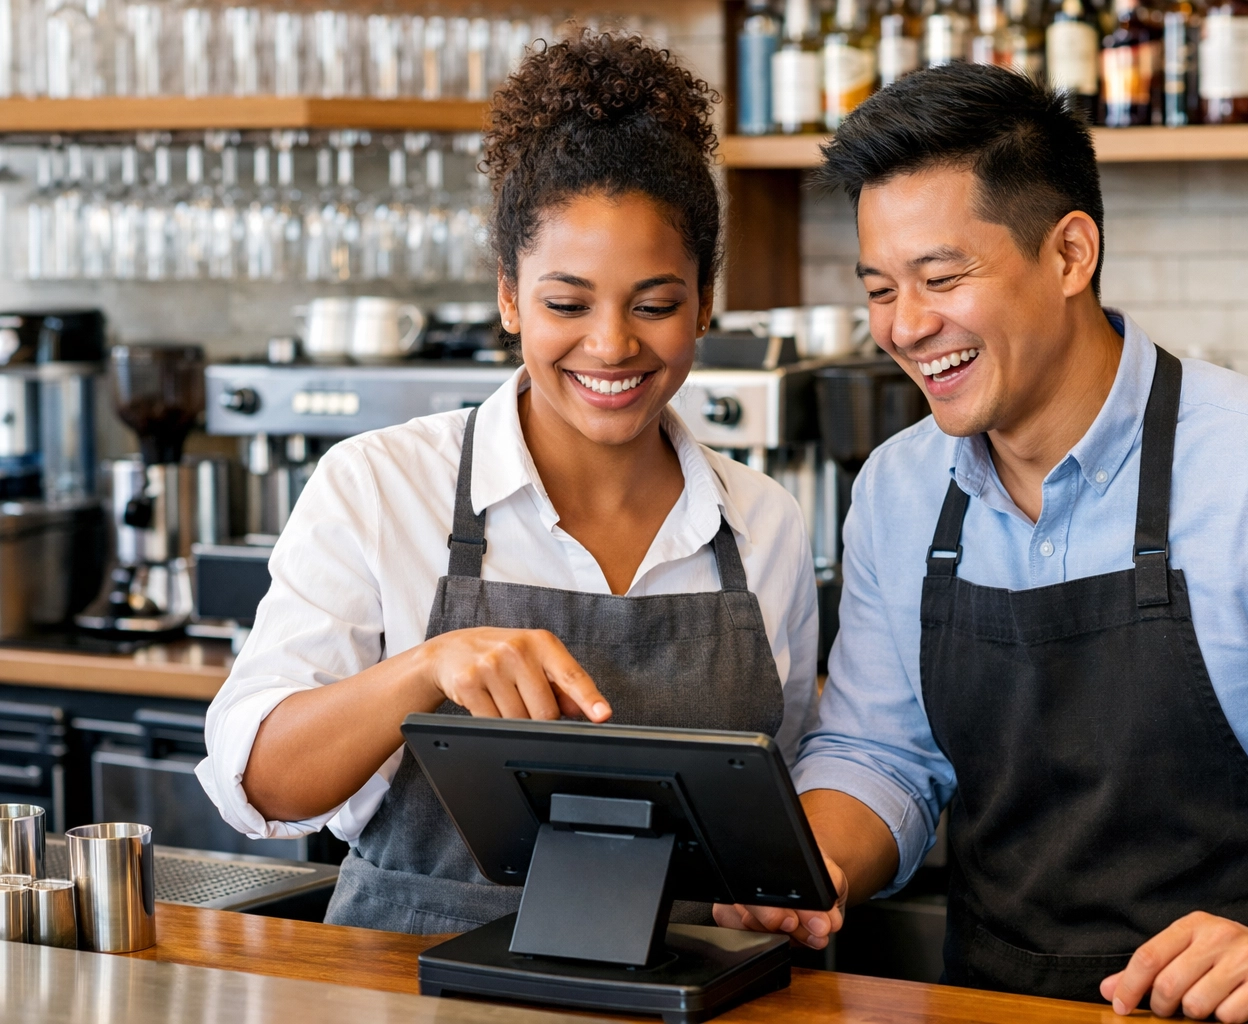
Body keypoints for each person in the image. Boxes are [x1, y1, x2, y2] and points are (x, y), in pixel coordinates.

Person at [716, 63, 1248, 1021]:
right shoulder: (900, 488)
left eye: (941, 278)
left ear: (1070, 254)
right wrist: (812, 867)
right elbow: (879, 755)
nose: (906, 326)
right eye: (880, 288)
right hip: (999, 1008)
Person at [196, 33, 819, 934]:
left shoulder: (764, 521)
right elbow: (259, 784)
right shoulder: (381, 486)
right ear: (509, 298)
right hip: (408, 980)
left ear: (704, 304)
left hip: (686, 980)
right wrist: (425, 669)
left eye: (655, 304)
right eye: (567, 303)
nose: (612, 344)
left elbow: (780, 788)